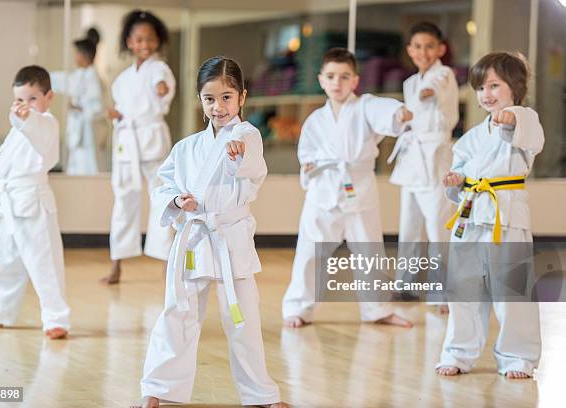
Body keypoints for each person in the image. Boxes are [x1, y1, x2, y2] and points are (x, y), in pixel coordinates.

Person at [135, 56, 288, 408]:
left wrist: (237, 154)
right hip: (195, 237)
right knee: (178, 313)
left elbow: (251, 166)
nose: (218, 107)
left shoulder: (246, 135)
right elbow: (163, 184)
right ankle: (157, 389)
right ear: (199, 100)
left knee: (242, 318)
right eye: (209, 98)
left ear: (242, 97)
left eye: (226, 97)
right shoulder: (187, 147)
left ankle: (261, 394)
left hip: (230, 237)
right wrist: (176, 200)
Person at [281, 48, 413, 329]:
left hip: (359, 188)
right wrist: (308, 167)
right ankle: (299, 308)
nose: (337, 83)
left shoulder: (364, 106)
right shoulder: (316, 119)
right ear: (321, 80)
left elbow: (383, 109)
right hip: (323, 190)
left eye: (344, 77)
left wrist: (399, 113)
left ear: (355, 80)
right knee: (309, 251)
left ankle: (377, 309)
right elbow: (306, 153)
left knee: (369, 251)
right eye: (331, 76)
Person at [436, 52, 543, 379]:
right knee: (462, 289)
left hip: (506, 216)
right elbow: (458, 177)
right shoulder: (469, 139)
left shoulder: (525, 120)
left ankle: (517, 357)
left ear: (516, 87)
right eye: (481, 87)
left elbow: (532, 139)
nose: (486, 94)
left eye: (494, 85)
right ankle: (458, 352)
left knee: (512, 291)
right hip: (470, 215)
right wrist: (454, 182)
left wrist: (513, 119)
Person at [0, 65, 70, 340]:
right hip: (10, 203)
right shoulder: (17, 130)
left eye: (33, 98)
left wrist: (27, 119)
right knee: (6, 260)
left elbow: (39, 130)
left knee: (44, 261)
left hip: (33, 203)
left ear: (49, 97)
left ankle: (56, 318)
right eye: (21, 100)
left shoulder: (46, 122)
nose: (26, 105)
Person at [388, 22, 459, 310]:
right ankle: (406, 285)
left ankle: (445, 291)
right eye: (417, 46)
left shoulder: (443, 74)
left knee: (438, 226)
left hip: (435, 157)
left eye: (429, 46)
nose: (423, 52)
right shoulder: (409, 82)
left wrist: (425, 92)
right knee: (409, 226)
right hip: (412, 159)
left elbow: (433, 89)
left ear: (440, 49)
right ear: (409, 50)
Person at [102, 10, 175, 284]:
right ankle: (116, 263)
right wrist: (117, 116)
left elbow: (163, 86)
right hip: (127, 142)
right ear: (129, 43)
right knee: (123, 201)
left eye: (150, 39)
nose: (145, 44)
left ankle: (167, 259)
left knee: (162, 198)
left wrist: (161, 89)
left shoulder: (159, 69)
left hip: (152, 139)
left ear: (158, 41)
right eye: (139, 39)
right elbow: (123, 110)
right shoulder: (122, 79)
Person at [50, 27, 108, 175]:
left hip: (88, 133)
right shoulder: (81, 75)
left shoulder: (92, 77)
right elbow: (66, 81)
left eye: (76, 54)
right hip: (79, 132)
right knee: (77, 166)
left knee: (88, 168)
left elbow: (98, 107)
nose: (75, 57)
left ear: (84, 56)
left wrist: (77, 108)